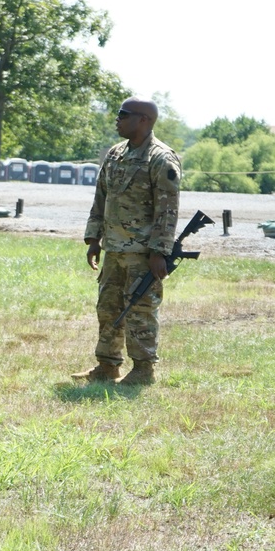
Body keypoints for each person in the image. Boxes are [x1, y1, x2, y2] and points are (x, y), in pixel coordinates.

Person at [71, 97, 181, 386]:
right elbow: (102, 197)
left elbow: (167, 210)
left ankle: (143, 370)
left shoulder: (161, 158)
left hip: (142, 254)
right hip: (114, 249)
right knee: (108, 309)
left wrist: (160, 252)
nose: (117, 119)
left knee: (140, 310)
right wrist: (94, 237)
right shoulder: (116, 154)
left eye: (124, 114)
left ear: (143, 119)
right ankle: (107, 366)